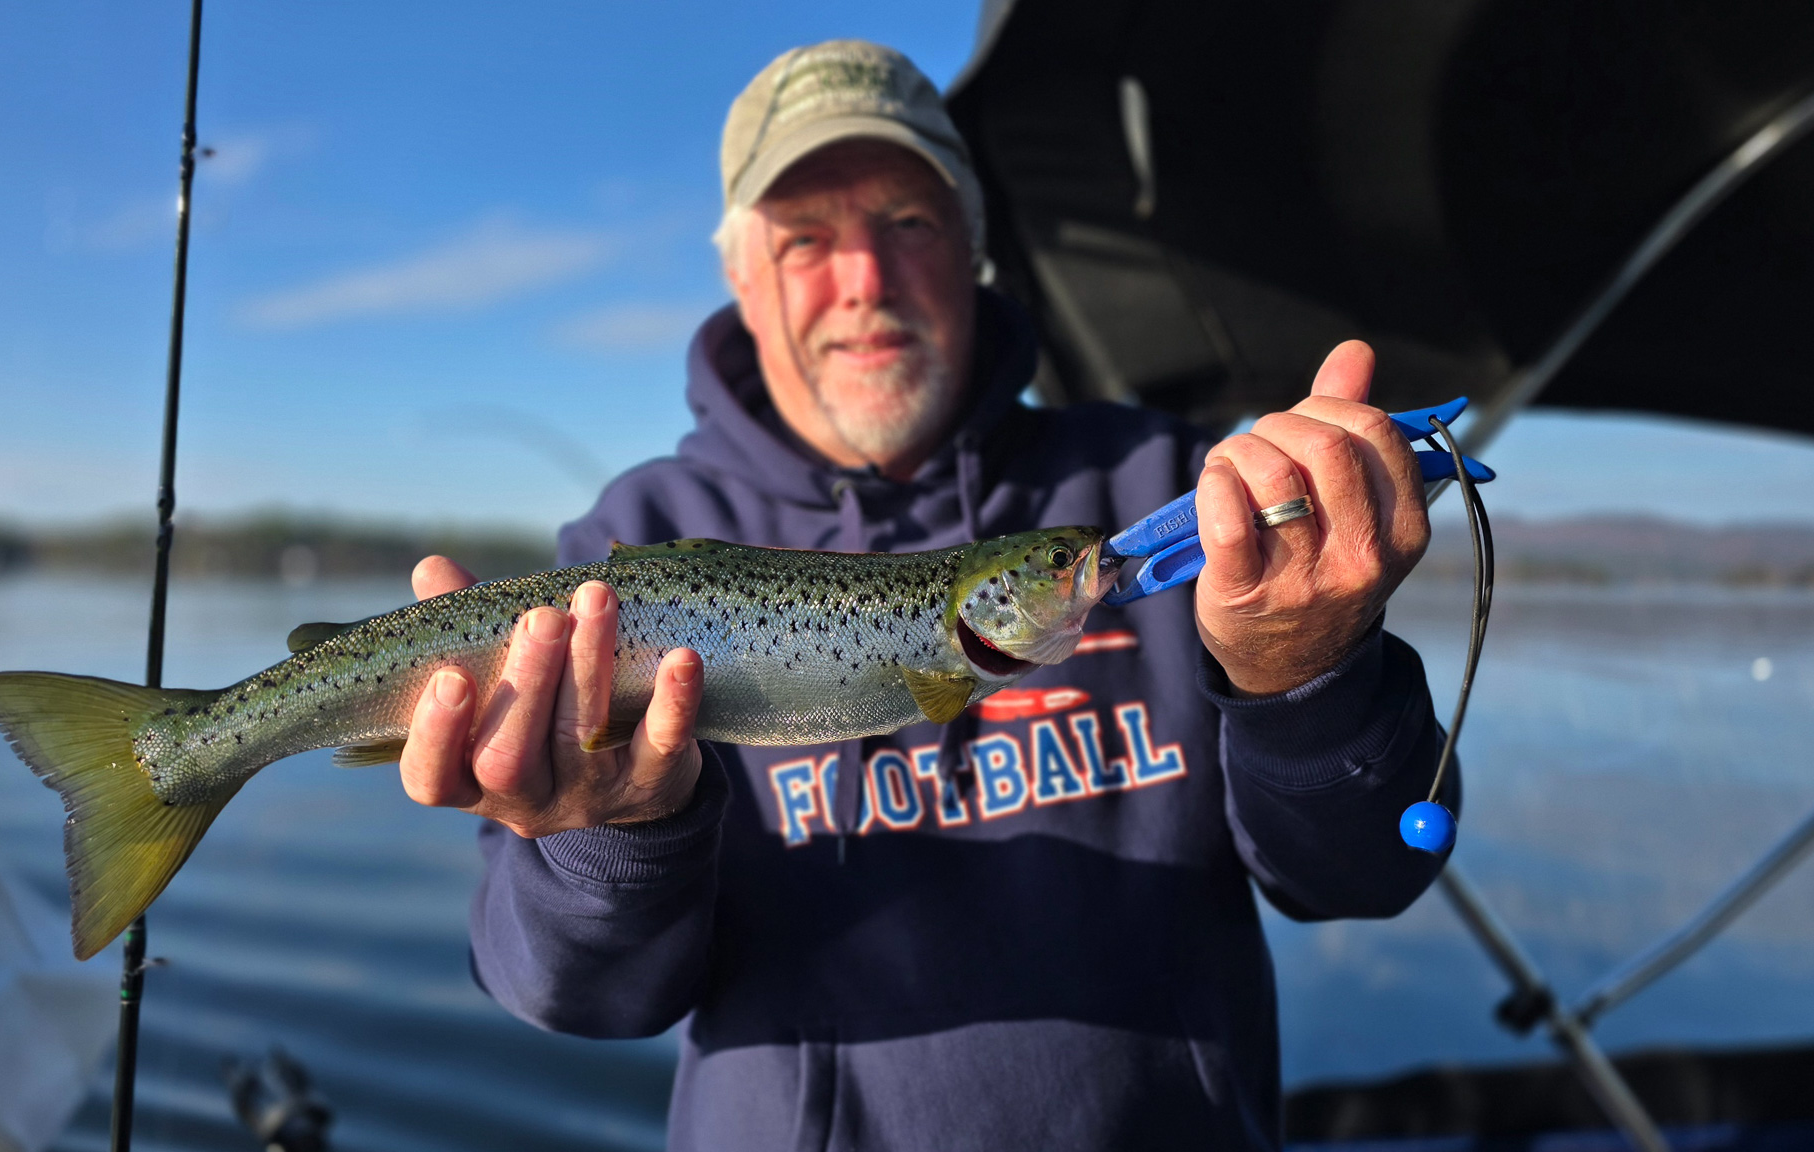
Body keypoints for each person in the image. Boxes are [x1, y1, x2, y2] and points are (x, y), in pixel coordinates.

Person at [399, 40, 1455, 1151]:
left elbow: (1373, 869)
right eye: (805, 240)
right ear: (742, 283)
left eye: (904, 223)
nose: (861, 280)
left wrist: (1306, 671)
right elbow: (571, 998)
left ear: (973, 248)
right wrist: (609, 837)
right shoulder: (632, 550)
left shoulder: (1168, 494)